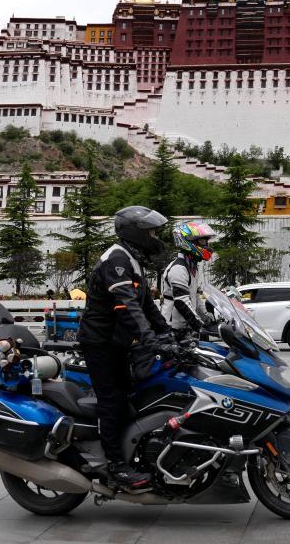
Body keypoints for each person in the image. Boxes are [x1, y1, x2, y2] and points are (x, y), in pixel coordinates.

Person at [76, 206, 177, 488]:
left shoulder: (132, 259)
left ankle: (133, 453)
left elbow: (146, 305)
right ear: (136, 233)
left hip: (116, 343)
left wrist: (168, 333)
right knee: (113, 400)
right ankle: (115, 467)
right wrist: (151, 340)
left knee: (133, 396)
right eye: (152, 232)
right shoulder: (117, 259)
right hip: (100, 343)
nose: (155, 237)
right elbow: (127, 306)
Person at [160, 221, 217, 339]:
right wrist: (199, 325)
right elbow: (181, 302)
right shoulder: (179, 268)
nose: (206, 246)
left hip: (186, 330)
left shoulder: (191, 267)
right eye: (202, 241)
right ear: (188, 241)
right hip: (173, 331)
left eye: (206, 242)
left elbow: (195, 298)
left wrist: (208, 319)